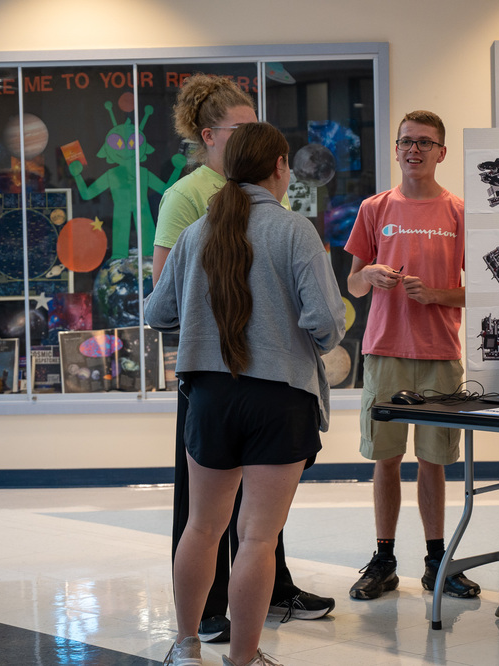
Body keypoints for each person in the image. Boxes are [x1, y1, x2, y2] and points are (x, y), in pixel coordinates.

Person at [147, 122, 345, 666]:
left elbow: (156, 313)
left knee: (202, 527)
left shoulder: (196, 232)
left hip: (209, 398)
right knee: (256, 539)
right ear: (280, 167)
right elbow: (326, 320)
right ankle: (244, 658)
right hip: (278, 401)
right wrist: (310, 337)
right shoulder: (293, 230)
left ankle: (186, 647)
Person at [344, 110, 479, 601]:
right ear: (396, 149)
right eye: (406, 142)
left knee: (434, 460)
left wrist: (439, 296)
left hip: (441, 353)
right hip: (385, 351)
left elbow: (485, 290)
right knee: (385, 458)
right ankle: (383, 559)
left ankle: (436, 559)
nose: (414, 150)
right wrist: (371, 276)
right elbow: (353, 285)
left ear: (441, 152)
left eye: (424, 142)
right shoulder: (374, 208)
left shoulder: (461, 212)